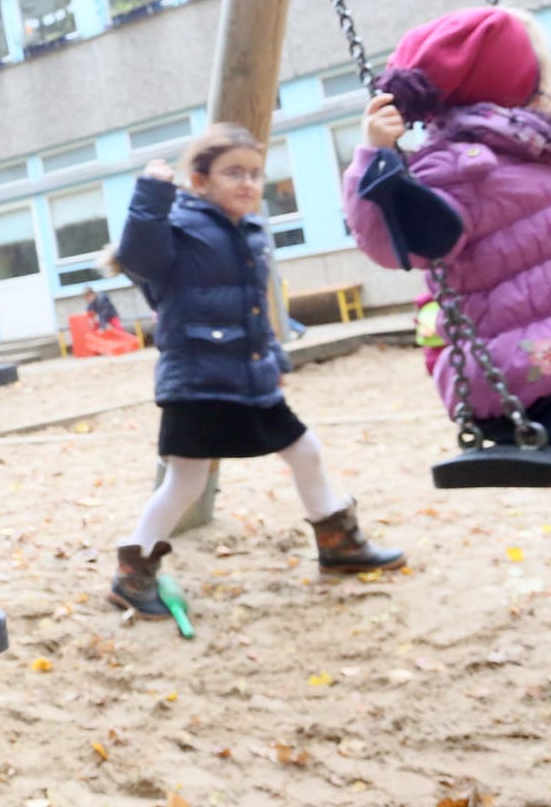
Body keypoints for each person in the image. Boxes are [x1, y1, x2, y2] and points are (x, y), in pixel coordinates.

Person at [341, 5, 551, 655]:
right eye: (545, 67)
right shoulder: (461, 167)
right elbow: (390, 239)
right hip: (530, 367)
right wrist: (374, 157)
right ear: (513, 81)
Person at [108, 124, 406, 619]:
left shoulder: (250, 232)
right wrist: (151, 193)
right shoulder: (177, 227)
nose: (247, 183)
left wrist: (274, 360)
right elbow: (136, 257)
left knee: (305, 452)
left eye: (254, 173)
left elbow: (256, 310)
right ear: (200, 181)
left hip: (248, 378)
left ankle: (339, 546)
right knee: (185, 482)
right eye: (232, 173)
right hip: (198, 381)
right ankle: (131, 572)